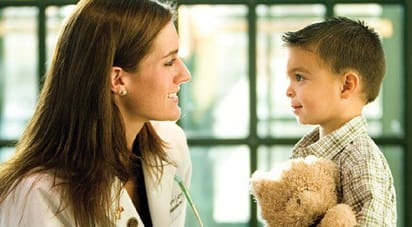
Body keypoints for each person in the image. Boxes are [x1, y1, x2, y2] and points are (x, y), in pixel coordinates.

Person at [0, 0, 192, 226]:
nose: (184, 74)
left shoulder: (172, 145)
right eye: (169, 62)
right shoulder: (36, 193)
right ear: (117, 79)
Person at [283, 17, 396, 226]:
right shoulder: (312, 154)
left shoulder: (361, 159)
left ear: (346, 85)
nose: (288, 90)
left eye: (299, 77)